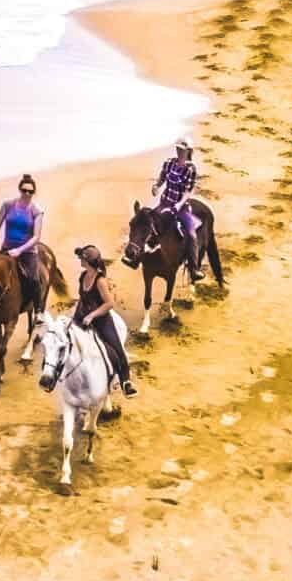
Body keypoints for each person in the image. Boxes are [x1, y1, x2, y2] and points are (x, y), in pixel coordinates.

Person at [71, 243, 137, 395]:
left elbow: (109, 304)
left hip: (101, 320)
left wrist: (92, 315)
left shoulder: (100, 281)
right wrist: (76, 316)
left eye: (82, 258)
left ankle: (126, 381)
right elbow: (82, 298)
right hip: (83, 315)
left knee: (117, 349)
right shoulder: (82, 276)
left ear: (88, 262)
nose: (80, 260)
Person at [0, 173, 48, 305]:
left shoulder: (36, 210)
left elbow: (36, 237)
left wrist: (19, 250)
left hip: (27, 251)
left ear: (34, 192)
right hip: (6, 248)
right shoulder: (8, 205)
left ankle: (38, 310)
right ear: (20, 190)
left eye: (30, 191)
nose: (27, 194)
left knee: (34, 279)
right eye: (24, 190)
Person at [152, 139, 201, 262]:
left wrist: (178, 205)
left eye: (182, 150)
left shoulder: (190, 169)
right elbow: (161, 178)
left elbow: (187, 191)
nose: (179, 152)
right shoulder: (169, 163)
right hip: (165, 203)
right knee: (146, 222)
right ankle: (136, 256)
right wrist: (156, 186)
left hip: (181, 208)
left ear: (188, 151)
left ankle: (194, 268)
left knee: (191, 234)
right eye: (178, 149)